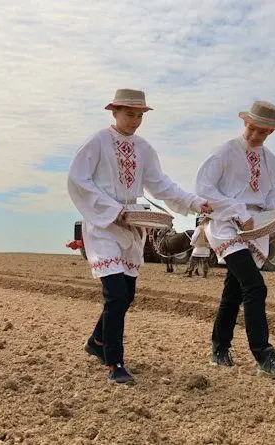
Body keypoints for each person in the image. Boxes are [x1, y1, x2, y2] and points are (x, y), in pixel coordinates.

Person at [68, 89, 212, 384]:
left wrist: (195, 202)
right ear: (114, 112)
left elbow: (160, 184)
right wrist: (112, 210)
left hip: (133, 227)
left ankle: (96, 342)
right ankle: (114, 363)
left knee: (127, 294)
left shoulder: (144, 149)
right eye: (129, 114)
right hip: (104, 224)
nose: (134, 120)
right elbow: (77, 180)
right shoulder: (96, 142)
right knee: (116, 294)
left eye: (139, 115)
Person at [194, 100, 275, 378]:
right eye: (253, 128)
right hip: (226, 224)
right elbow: (203, 187)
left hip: (256, 228)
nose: (256, 135)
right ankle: (264, 355)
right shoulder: (224, 152)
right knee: (255, 287)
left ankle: (219, 348)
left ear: (271, 133)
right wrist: (236, 210)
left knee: (234, 291)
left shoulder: (270, 160)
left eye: (263, 132)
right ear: (245, 123)